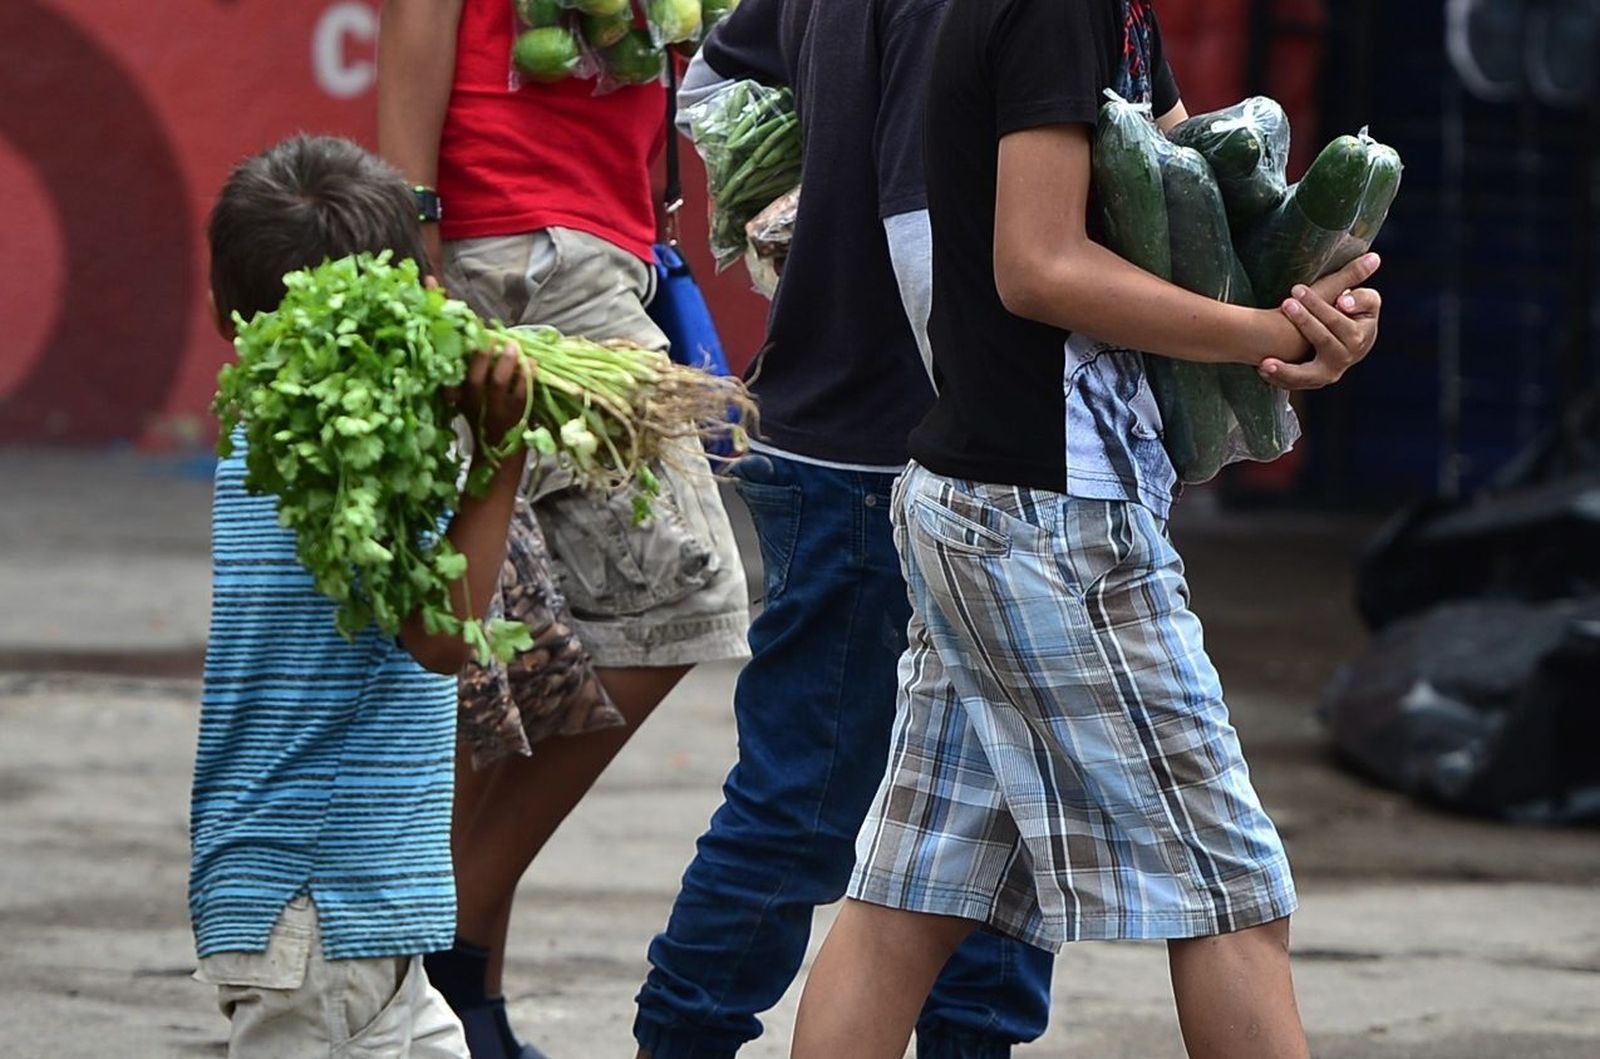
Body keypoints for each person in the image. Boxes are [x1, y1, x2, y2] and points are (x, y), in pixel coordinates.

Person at [790, 1, 1385, 1057]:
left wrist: (1316, 315)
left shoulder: (1113, 12)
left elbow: (1188, 199)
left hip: (992, 508)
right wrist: (1260, 334)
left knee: (909, 896)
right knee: (1234, 894)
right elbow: (1039, 264)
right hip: (1048, 520)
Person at [631, 4, 1057, 1058]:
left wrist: (804, 208)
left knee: (975, 810)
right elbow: (919, 236)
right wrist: (995, 425)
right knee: (832, 810)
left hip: (841, 437)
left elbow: (709, 83)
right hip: (895, 456)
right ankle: (684, 1038)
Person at [377, 4, 751, 1057]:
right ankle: (437, 937)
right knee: (686, 597)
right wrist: (414, 235)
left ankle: (466, 1004)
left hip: (585, 246)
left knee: (522, 654)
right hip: (525, 256)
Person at [189, 134, 533, 1058]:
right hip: (324, 901)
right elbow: (441, 636)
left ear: (223, 312)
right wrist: (500, 454)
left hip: (342, 912)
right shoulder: (353, 462)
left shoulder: (266, 432)